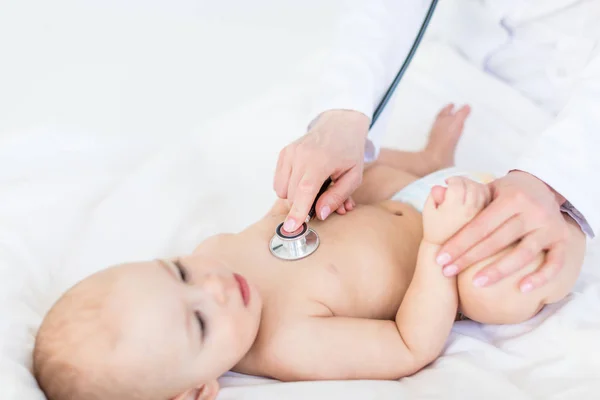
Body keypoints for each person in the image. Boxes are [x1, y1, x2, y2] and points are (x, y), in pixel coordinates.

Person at [33, 105, 586, 400]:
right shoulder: (288, 346)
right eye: (199, 322)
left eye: (177, 272)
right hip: (458, 244)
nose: (213, 284)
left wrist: (315, 194)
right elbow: (409, 345)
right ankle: (569, 237)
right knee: (497, 296)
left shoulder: (216, 252)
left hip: (412, 193)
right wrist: (439, 246)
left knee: (362, 176)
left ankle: (426, 157)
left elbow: (283, 221)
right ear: (196, 391)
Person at [274, 0, 599, 295]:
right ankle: (432, 160)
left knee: (503, 289)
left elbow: (408, 348)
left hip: (573, 107)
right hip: (462, 62)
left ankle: (438, 163)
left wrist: (552, 177)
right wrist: (342, 114)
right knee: (348, 177)